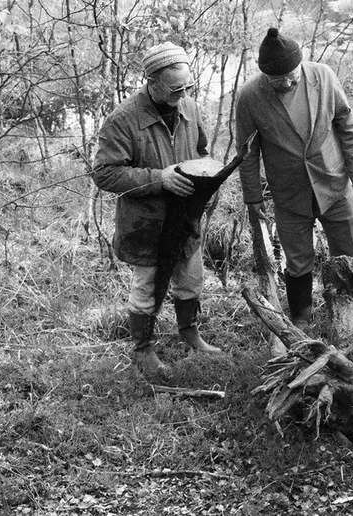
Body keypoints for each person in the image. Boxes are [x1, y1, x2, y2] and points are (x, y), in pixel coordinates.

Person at [92, 41, 222, 377]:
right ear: (152, 83)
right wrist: (159, 179)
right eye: (176, 88)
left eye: (188, 86)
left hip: (186, 218)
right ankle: (143, 349)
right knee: (147, 287)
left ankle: (190, 334)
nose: (184, 93)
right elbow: (104, 173)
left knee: (191, 280)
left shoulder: (190, 108)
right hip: (147, 223)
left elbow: (200, 151)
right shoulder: (123, 119)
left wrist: (208, 174)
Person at [235, 28, 353, 326]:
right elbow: (247, 152)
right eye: (277, 80)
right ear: (265, 75)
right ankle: (301, 318)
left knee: (347, 255)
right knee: (297, 261)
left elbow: (347, 125)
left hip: (334, 183)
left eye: (292, 76)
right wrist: (253, 196)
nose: (286, 83)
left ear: (302, 64)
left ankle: (352, 318)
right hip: (289, 195)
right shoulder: (249, 96)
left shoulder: (323, 76)